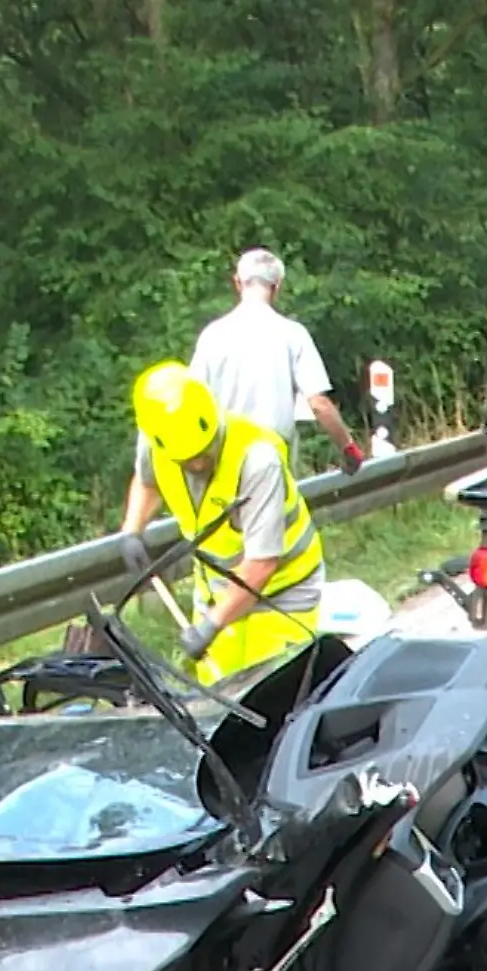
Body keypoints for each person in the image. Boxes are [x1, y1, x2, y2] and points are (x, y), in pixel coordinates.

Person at [119, 361, 324, 684]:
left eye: (204, 451)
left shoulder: (257, 460)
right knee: (220, 702)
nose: (198, 462)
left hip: (282, 594)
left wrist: (210, 625)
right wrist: (132, 530)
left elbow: (262, 564)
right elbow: (147, 482)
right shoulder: (158, 441)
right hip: (218, 588)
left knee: (273, 695)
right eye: (188, 460)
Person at [190, 247, 364, 475]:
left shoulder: (212, 335)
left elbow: (192, 399)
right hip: (270, 462)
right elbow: (319, 404)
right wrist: (348, 448)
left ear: (238, 283)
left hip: (221, 465)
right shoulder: (292, 334)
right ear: (277, 286)